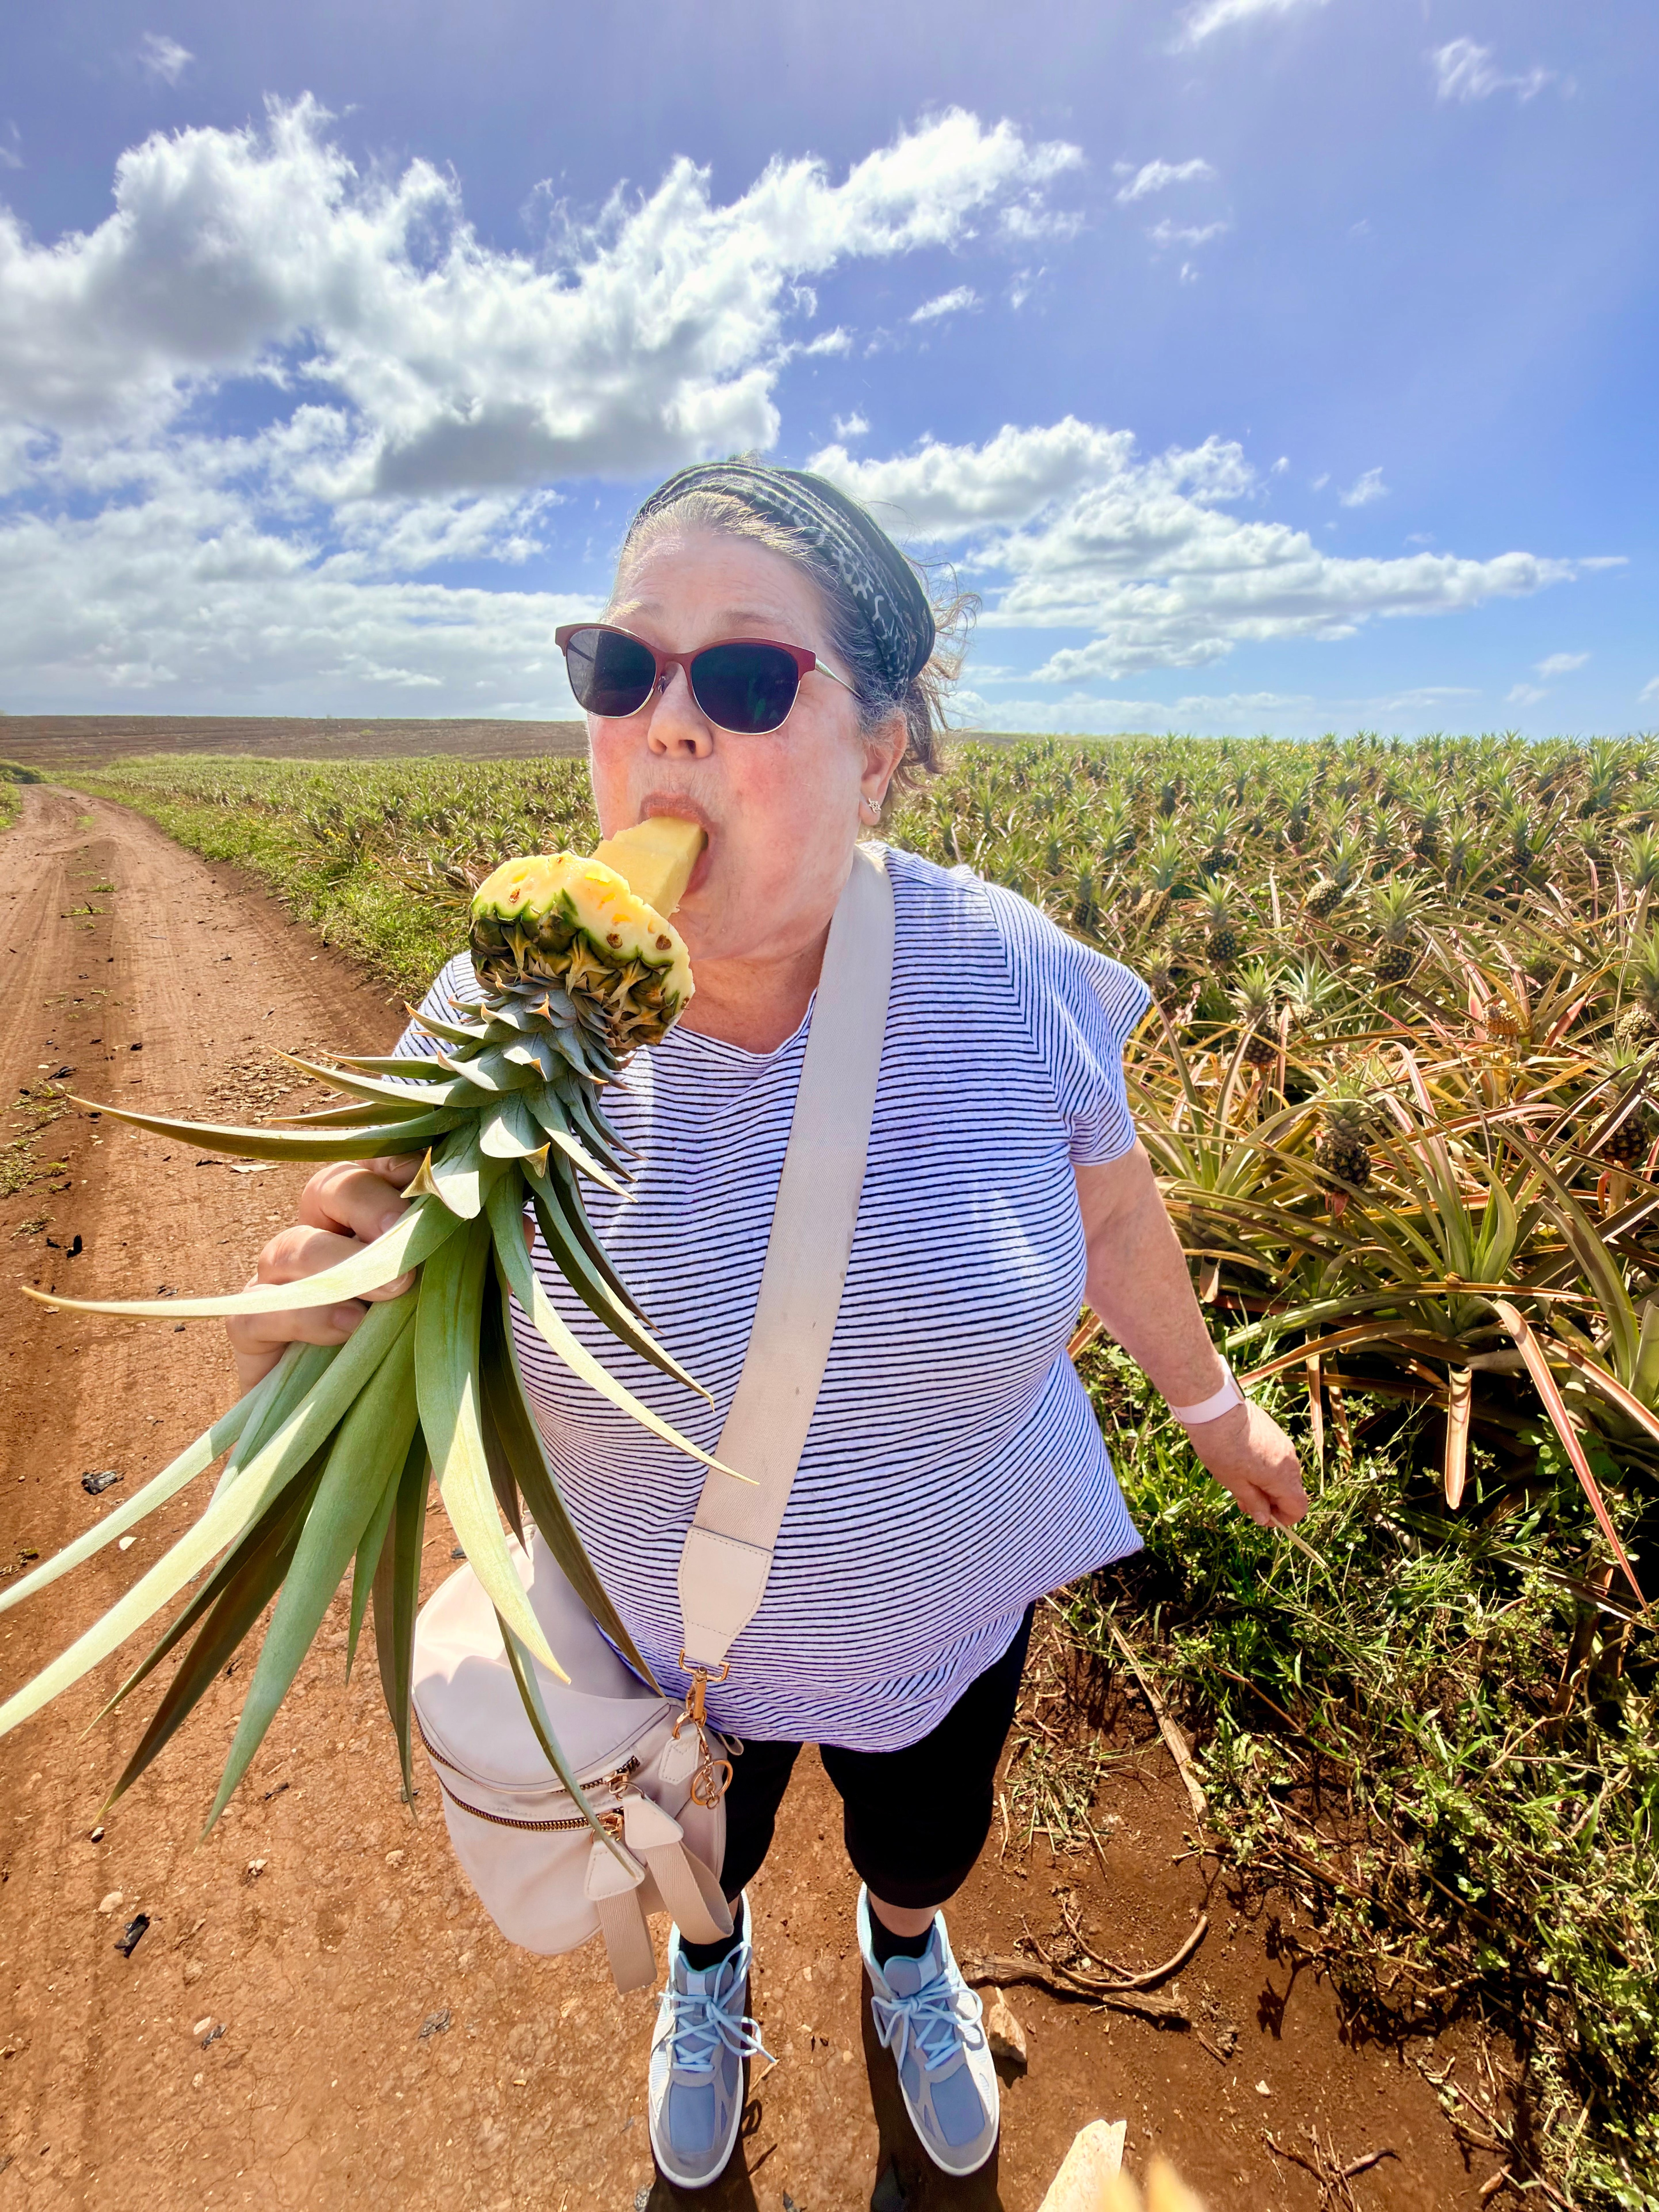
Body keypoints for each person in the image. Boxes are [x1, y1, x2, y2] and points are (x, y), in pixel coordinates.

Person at [226, 459, 1309, 2189]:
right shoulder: (504, 1002)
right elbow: (390, 1250)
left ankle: (904, 1954)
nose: (665, 727)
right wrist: (328, 1317)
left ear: (877, 750)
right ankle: (711, 1974)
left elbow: (1110, 1209)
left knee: (921, 1833)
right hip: (664, 1640)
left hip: (939, 1608)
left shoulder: (1006, 973)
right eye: (620, 667)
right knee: (696, 1854)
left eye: (742, 680)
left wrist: (1209, 1406)